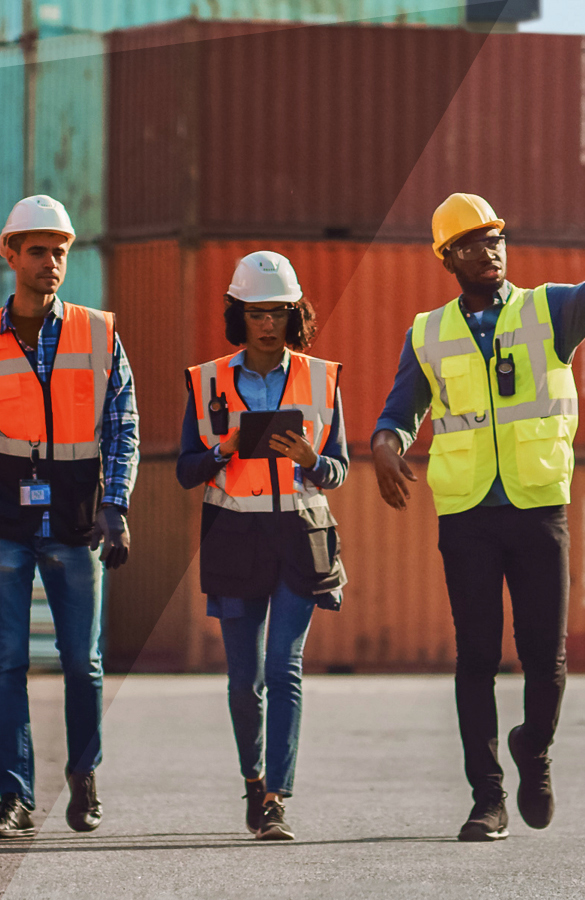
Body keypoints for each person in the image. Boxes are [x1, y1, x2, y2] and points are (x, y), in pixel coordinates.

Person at [368, 194, 585, 842]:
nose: (489, 251)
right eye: (472, 244)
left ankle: (535, 749)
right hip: (467, 513)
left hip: (536, 506)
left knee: (544, 658)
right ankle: (487, 798)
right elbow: (399, 413)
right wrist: (384, 445)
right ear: (448, 258)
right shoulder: (428, 332)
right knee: (475, 658)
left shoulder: (546, 310)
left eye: (495, 238)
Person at [0, 195, 139, 840]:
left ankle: (84, 775)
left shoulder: (98, 332)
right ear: (10, 254)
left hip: (77, 519)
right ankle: (14, 800)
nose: (52, 263)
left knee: (84, 662)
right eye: (39, 251)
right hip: (1, 520)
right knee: (8, 663)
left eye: (60, 252)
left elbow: (122, 424)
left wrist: (117, 504)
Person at [172, 251, 350, 842]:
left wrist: (312, 461)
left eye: (277, 312)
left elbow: (340, 470)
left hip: (300, 540)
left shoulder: (322, 379)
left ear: (294, 313)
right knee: (244, 679)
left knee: (283, 668)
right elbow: (185, 471)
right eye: (255, 313)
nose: (267, 323)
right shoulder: (207, 382)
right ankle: (252, 778)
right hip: (235, 540)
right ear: (239, 315)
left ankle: (276, 797)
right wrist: (222, 451)